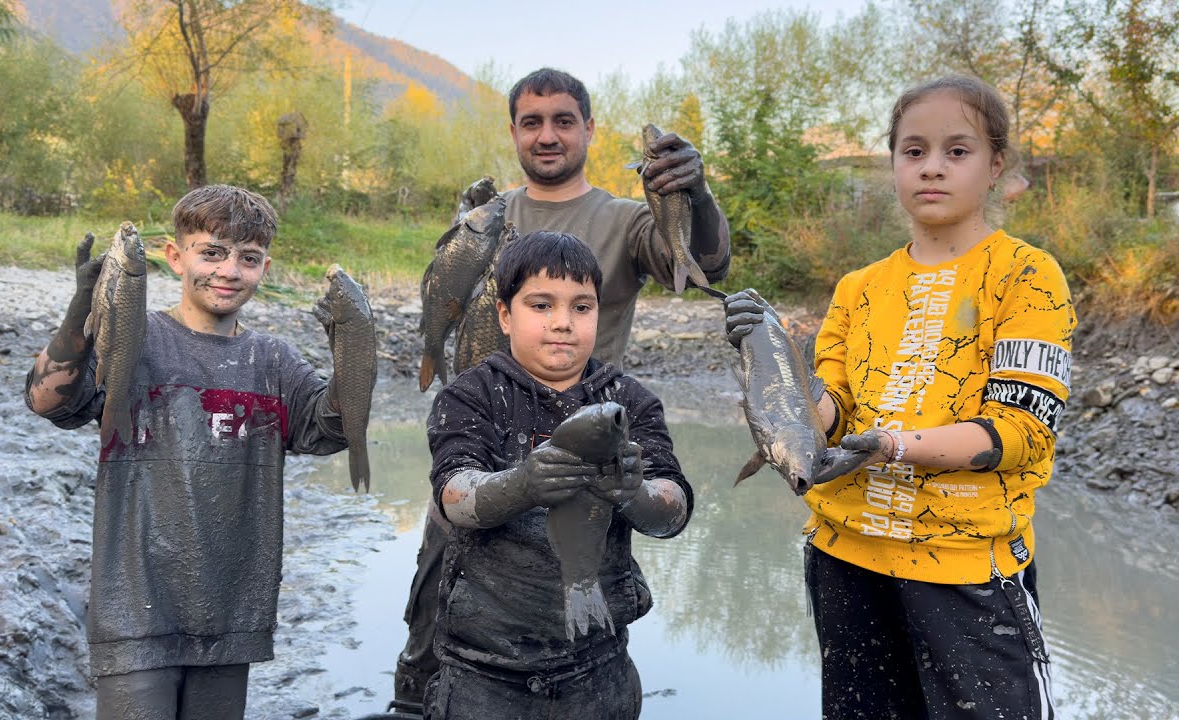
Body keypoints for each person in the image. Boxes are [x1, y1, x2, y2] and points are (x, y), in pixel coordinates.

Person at [726, 75, 1075, 719]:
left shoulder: (1027, 275)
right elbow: (829, 418)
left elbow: (1022, 432)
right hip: (844, 562)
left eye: (957, 150)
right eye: (913, 151)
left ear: (996, 165)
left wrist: (891, 447)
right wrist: (770, 369)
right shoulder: (858, 288)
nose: (932, 167)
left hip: (970, 572)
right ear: (893, 163)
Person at [390, 66, 732, 712]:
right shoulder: (486, 218)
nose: (547, 136)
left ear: (589, 130)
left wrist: (700, 195)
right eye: (532, 122)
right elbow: (443, 297)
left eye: (563, 121)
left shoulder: (628, 218)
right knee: (438, 603)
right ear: (515, 132)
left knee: (581, 611)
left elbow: (708, 266)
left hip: (591, 454)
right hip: (483, 442)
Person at [24, 185, 354, 720]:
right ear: (175, 257)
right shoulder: (136, 335)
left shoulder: (273, 359)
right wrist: (82, 311)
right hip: (134, 604)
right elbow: (45, 400)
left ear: (264, 268)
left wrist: (351, 349)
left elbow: (330, 428)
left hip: (231, 609)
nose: (228, 270)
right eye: (212, 252)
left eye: (247, 259)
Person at [422, 230, 692, 719]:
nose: (563, 323)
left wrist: (635, 495)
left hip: (600, 665)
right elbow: (454, 495)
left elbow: (671, 510)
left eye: (581, 307)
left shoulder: (629, 401)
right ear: (505, 315)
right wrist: (521, 485)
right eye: (541, 305)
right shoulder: (470, 396)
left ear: (599, 313)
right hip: (484, 668)